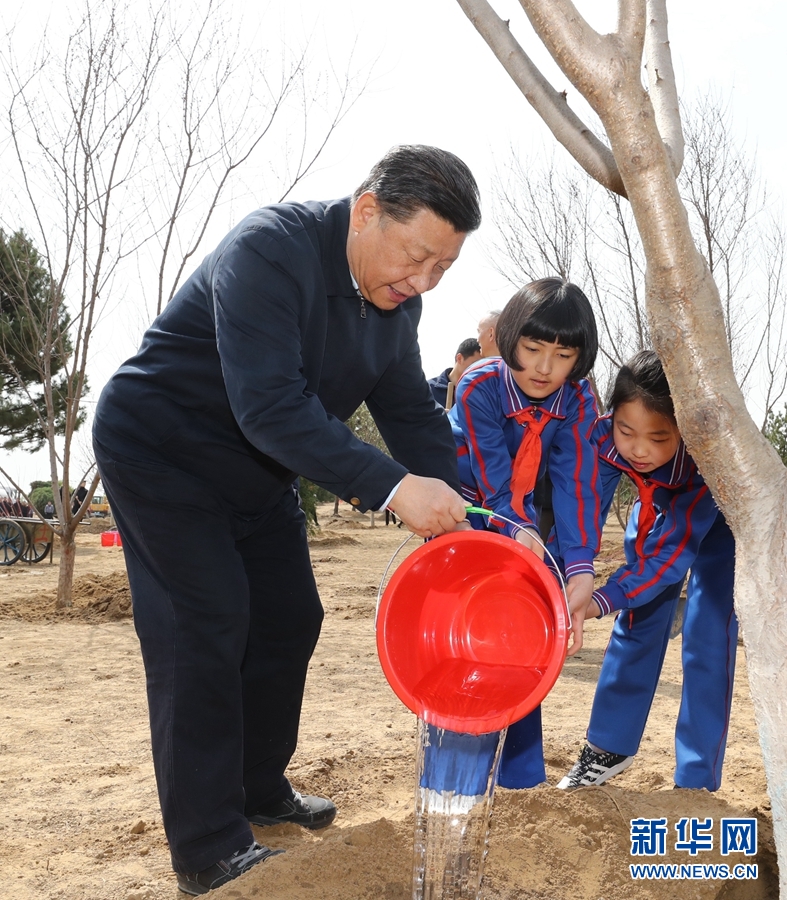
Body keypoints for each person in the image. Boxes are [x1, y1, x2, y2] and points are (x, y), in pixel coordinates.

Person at [92, 145, 480, 895]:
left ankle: (256, 786)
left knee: (288, 618)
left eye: (444, 267)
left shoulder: (399, 305)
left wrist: (479, 515)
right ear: (367, 210)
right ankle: (208, 845)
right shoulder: (268, 250)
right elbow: (269, 406)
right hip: (162, 452)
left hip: (257, 473)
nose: (424, 278)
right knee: (205, 623)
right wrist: (396, 492)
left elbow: (410, 417)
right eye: (417, 255)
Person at [557, 350, 737, 791]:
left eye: (659, 438)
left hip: (718, 514)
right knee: (636, 620)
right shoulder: (601, 439)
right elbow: (584, 513)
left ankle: (695, 778)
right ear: (611, 416)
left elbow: (666, 561)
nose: (639, 449)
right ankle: (607, 750)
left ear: (684, 430)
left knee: (708, 636)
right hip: (653, 506)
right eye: (627, 430)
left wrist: (600, 600)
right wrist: (576, 574)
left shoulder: (704, 459)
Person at [449, 277, 601, 789]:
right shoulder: (478, 386)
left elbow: (576, 484)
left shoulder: (579, 402)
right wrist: (519, 531)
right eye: (532, 348)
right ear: (510, 337)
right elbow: (493, 483)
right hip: (465, 514)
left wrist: (579, 567)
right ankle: (457, 776)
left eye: (561, 355)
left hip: (524, 518)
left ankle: (519, 780)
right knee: (469, 635)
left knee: (519, 638)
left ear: (578, 359)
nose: (543, 367)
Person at [427, 337, 481, 409]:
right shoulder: (429, 390)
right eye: (476, 364)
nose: (480, 369)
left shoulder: (481, 395)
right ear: (459, 358)